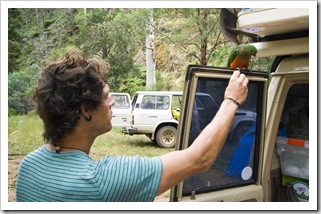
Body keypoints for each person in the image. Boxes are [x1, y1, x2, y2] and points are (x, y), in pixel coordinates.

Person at [16, 48, 248, 202]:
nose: (112, 102)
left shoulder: (29, 166)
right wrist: (231, 100)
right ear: (86, 110)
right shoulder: (103, 180)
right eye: (107, 96)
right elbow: (200, 158)